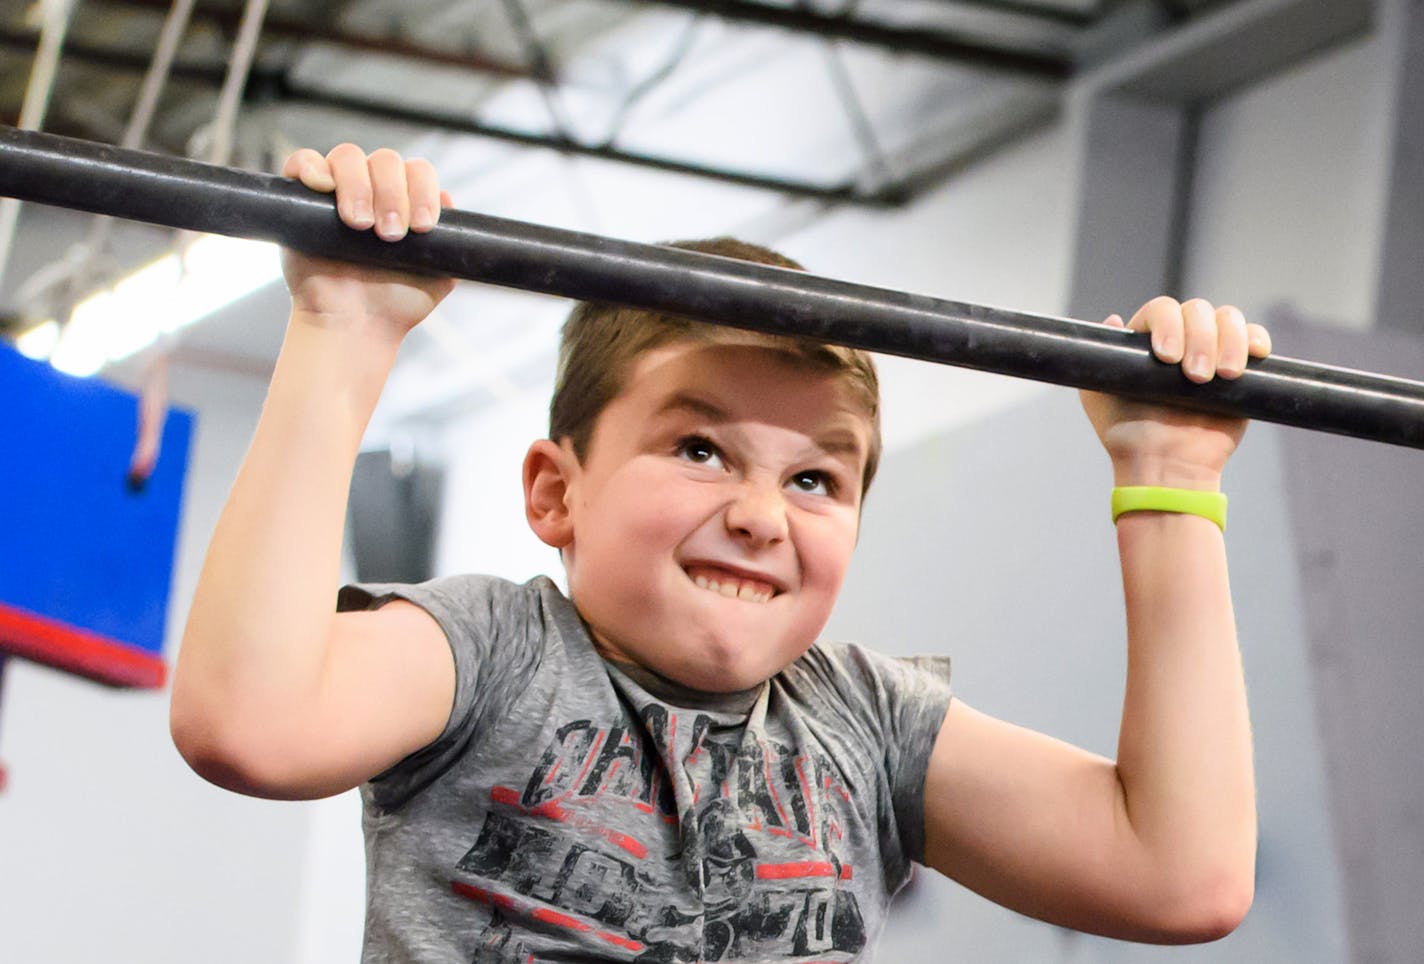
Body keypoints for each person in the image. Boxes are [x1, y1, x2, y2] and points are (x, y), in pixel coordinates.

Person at [170, 144, 1269, 962]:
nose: (759, 515)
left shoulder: (863, 723)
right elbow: (249, 725)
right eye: (700, 448)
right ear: (556, 492)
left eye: (814, 479)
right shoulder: (494, 651)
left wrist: (1168, 476)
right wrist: (343, 332)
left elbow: (1177, 876)